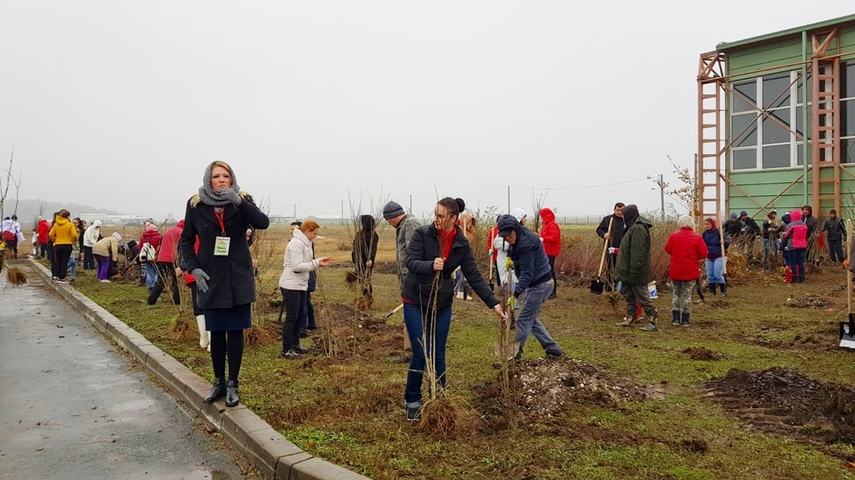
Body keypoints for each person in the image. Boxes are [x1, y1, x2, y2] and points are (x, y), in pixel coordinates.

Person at [401, 197, 505, 421]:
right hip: (415, 300)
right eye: (435, 214)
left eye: (441, 216)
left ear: (453, 218)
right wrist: (431, 265)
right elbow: (410, 261)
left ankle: (439, 398)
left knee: (438, 352)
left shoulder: (460, 242)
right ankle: (412, 400)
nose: (436, 219)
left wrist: (493, 302)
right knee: (420, 351)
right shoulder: (423, 234)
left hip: (442, 302)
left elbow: (473, 275)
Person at [179, 160, 270, 408]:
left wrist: (238, 201)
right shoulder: (195, 204)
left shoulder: (243, 200)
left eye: (226, 176)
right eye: (216, 176)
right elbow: (186, 240)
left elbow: (262, 223)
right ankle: (218, 382)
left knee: (235, 332)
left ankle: (233, 384)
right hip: (210, 278)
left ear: (231, 179)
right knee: (216, 332)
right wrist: (194, 268)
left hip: (238, 276)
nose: (221, 180)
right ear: (209, 179)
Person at [497, 213, 564, 359]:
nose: (508, 238)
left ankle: (515, 356)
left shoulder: (526, 245)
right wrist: (509, 256)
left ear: (515, 228)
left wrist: (515, 294)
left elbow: (527, 274)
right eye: (505, 236)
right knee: (530, 319)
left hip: (540, 284)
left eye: (509, 235)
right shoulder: (519, 233)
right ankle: (553, 349)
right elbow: (512, 246)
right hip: (540, 283)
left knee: (522, 320)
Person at [279, 220, 332, 359]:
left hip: (301, 284)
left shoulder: (305, 243)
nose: (315, 236)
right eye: (314, 233)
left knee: (300, 316)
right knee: (291, 317)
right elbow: (297, 266)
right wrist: (316, 263)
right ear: (307, 231)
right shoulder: (296, 244)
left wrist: (317, 262)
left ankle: (295, 344)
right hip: (291, 285)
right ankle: (286, 348)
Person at [383, 200, 421, 364]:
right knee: (410, 316)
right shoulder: (402, 226)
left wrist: (411, 279)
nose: (388, 223)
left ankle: (413, 353)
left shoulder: (410, 224)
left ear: (393, 216)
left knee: (414, 316)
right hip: (407, 281)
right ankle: (411, 351)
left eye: (387, 220)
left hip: (413, 281)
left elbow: (415, 254)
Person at [613, 205, 658, 331]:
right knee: (629, 296)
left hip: (635, 271)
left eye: (624, 214)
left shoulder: (638, 228)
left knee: (643, 297)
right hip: (627, 271)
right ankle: (630, 318)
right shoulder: (631, 226)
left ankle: (652, 320)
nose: (622, 217)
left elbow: (637, 252)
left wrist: (634, 270)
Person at [664, 216, 708, 327]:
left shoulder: (674, 235)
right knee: (687, 294)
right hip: (690, 269)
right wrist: (693, 256)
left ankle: (675, 319)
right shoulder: (697, 237)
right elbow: (704, 253)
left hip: (676, 269)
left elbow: (668, 249)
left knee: (676, 293)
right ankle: (685, 319)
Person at [148, 220, 184, 305]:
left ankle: (151, 300)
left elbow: (161, 242)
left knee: (161, 280)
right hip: (172, 258)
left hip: (161, 258)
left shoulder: (169, 230)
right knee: (175, 280)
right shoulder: (182, 232)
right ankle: (176, 300)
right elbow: (182, 247)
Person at [596, 202, 626, 289]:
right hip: (610, 247)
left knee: (622, 268)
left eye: (622, 210)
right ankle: (608, 286)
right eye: (618, 210)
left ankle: (619, 286)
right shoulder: (608, 219)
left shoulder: (627, 220)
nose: (620, 212)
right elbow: (599, 229)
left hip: (623, 248)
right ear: (614, 210)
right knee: (610, 266)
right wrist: (604, 234)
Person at [48, 210, 78, 283]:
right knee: (65, 261)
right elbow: (74, 235)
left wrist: (55, 240)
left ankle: (57, 276)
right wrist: (73, 241)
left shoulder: (56, 224)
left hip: (58, 244)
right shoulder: (70, 225)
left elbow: (50, 234)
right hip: (67, 244)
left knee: (58, 261)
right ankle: (62, 277)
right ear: (67, 216)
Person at [702, 218, 730, 296]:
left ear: (712, 224)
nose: (706, 226)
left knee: (717, 274)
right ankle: (712, 291)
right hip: (709, 256)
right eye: (705, 224)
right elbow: (702, 244)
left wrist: (724, 242)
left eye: (708, 224)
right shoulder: (704, 234)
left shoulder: (719, 232)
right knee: (710, 275)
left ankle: (723, 291)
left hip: (720, 255)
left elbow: (728, 242)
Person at [352, 214, 378, 296]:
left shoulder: (373, 235)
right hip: (358, 260)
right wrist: (354, 258)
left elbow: (373, 248)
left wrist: (371, 259)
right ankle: (363, 297)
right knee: (361, 279)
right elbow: (355, 246)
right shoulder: (359, 234)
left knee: (366, 279)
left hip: (367, 261)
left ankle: (367, 298)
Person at [539, 207, 561, 299]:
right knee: (548, 270)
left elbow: (554, 237)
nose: (541, 218)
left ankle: (552, 292)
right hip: (547, 250)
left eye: (542, 216)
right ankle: (549, 291)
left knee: (550, 271)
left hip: (551, 251)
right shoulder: (547, 225)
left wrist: (543, 239)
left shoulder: (552, 225)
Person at [454, 212, 477, 300]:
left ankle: (464, 292)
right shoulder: (459, 232)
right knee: (460, 274)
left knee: (466, 275)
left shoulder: (469, 233)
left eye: (471, 222)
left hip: (467, 255)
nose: (470, 224)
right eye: (468, 222)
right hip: (458, 255)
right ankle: (458, 291)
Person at [783, 209, 808, 283]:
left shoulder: (791, 225)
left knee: (793, 262)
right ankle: (802, 278)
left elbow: (786, 235)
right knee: (801, 262)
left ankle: (794, 278)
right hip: (803, 245)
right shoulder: (804, 224)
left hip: (793, 245)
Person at [139, 219, 162, 292]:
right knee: (156, 272)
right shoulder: (158, 237)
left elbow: (139, 247)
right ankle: (156, 286)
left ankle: (150, 286)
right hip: (154, 257)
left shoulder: (144, 237)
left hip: (145, 257)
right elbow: (160, 247)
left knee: (148, 272)